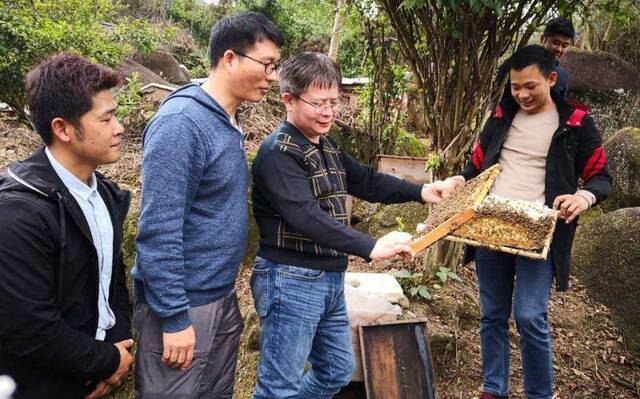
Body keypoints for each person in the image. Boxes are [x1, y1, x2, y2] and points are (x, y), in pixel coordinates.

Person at [250, 51, 454, 399]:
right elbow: (305, 216)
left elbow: (367, 180)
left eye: (334, 101)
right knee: (277, 387)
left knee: (335, 370)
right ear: (288, 99)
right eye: (318, 102)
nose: (329, 111)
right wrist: (371, 246)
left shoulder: (326, 144)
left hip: (329, 277)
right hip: (290, 279)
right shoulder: (277, 153)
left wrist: (422, 191)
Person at [132, 11, 284, 398]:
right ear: (230, 58)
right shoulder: (182, 122)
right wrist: (174, 317)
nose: (272, 76)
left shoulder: (223, 119)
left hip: (219, 297)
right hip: (184, 307)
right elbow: (158, 230)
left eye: (275, 67)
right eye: (266, 65)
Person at [446, 45, 612, 399]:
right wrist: (461, 181)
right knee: (492, 313)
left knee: (529, 315)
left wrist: (583, 197)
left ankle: (539, 394)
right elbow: (476, 165)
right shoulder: (501, 116)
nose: (521, 94)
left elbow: (601, 177)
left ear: (551, 79)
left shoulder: (576, 123)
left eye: (530, 86)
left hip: (541, 232)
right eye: (515, 86)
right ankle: (494, 389)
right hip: (492, 226)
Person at [0, 53, 134, 398]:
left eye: (115, 115)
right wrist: (106, 360)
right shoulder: (19, 213)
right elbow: (29, 329)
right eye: (106, 119)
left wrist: (117, 351)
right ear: (62, 129)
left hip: (95, 372)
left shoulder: (102, 192)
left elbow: (112, 280)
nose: (119, 128)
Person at [491, 17, 575, 103]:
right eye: (555, 43)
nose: (559, 49)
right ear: (542, 39)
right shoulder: (521, 59)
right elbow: (496, 89)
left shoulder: (562, 75)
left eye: (564, 46)